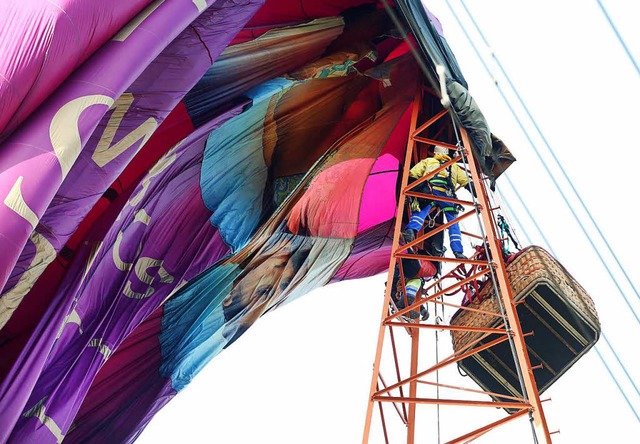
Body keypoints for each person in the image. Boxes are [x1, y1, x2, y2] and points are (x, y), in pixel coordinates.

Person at [402, 145, 475, 259]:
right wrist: (476, 193)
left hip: (430, 192)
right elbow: (467, 182)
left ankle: (411, 231)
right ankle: (458, 251)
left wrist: (409, 191)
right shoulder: (454, 166)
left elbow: (413, 174)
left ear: (435, 152)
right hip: (448, 196)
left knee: (420, 211)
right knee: (453, 223)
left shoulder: (428, 161)